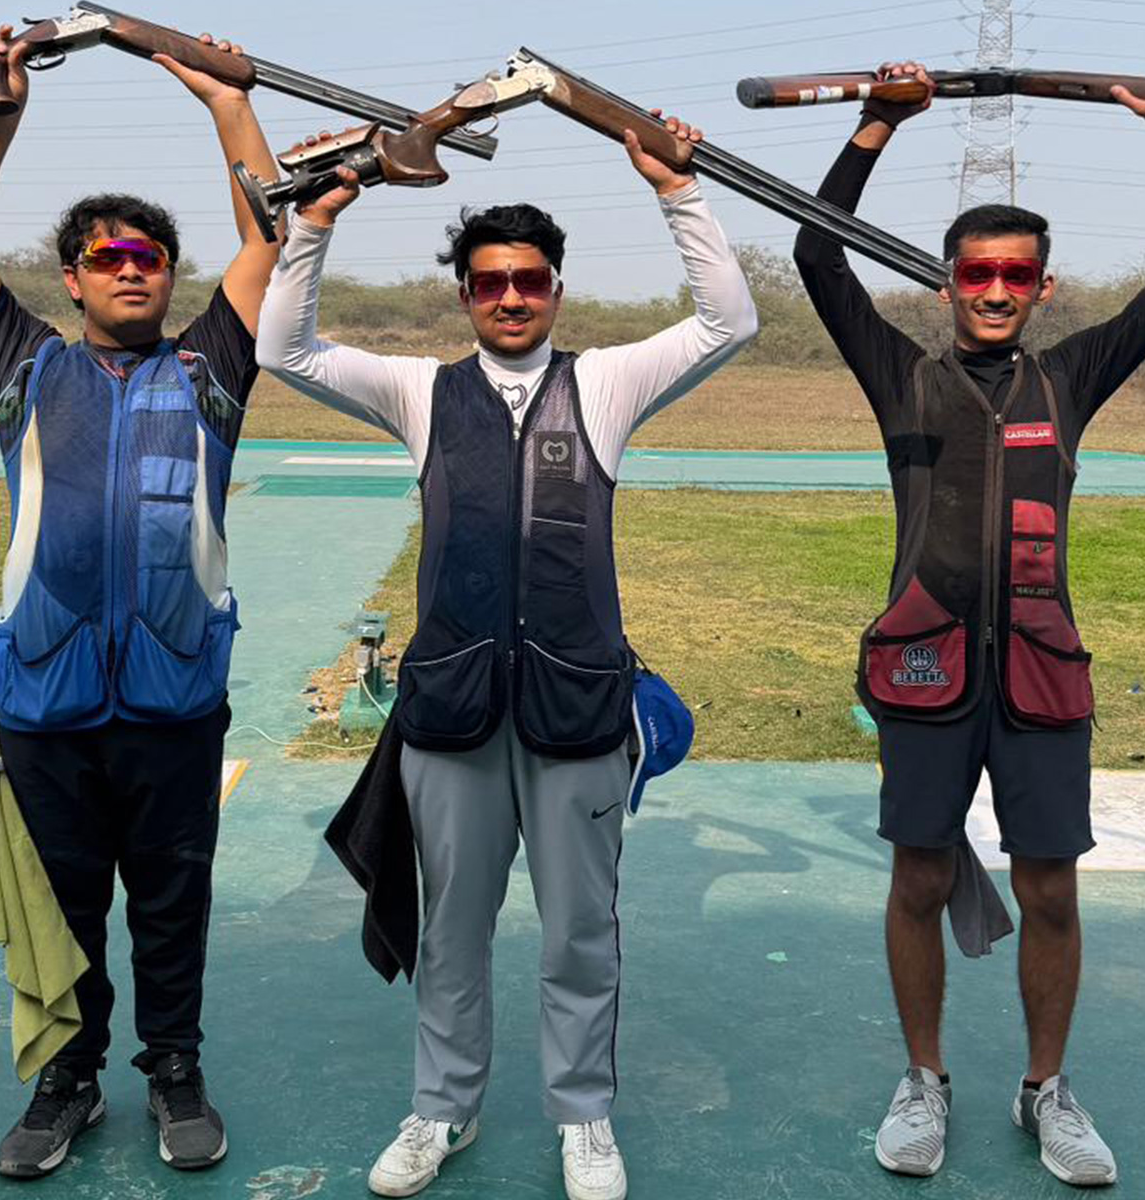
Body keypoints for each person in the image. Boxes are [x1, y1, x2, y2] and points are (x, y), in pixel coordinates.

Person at [257, 112, 756, 1200]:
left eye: (531, 279)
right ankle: (443, 1108)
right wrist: (317, 221)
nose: (513, 298)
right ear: (466, 296)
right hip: (450, 714)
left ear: (557, 288)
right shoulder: (419, 392)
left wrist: (674, 190)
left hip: (577, 711)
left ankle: (584, 1118)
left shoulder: (611, 385)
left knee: (582, 935)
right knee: (452, 936)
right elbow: (283, 347)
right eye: (490, 283)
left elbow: (726, 319)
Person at [793, 62, 1145, 1187]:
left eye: (1014, 276)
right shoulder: (899, 376)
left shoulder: (1072, 377)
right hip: (925, 669)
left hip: (1040, 674)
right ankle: (923, 1081)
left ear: (1041, 287)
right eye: (976, 271)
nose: (993, 289)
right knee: (920, 878)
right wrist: (875, 128)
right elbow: (815, 254)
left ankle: (1045, 1090)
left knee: (1048, 886)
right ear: (946, 283)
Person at [0, 23, 280, 1179]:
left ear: (170, 278)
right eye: (108, 255)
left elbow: (270, 236)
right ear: (71, 277)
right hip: (45, 694)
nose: (133, 268)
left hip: (176, 698)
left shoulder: (211, 368)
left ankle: (174, 1069)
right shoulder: (25, 366)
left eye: (151, 257)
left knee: (172, 907)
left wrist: (227, 106)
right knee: (63, 912)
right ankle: (65, 1080)